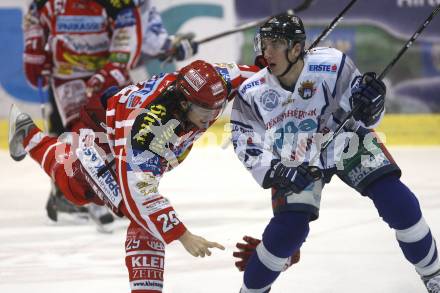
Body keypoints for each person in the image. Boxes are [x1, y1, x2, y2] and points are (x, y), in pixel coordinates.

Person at [230, 13, 440, 293]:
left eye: (275, 44)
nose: (267, 52)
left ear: (295, 48)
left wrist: (372, 103)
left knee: (400, 204)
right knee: (287, 233)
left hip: (346, 139)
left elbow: (369, 118)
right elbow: (244, 140)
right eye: (264, 44)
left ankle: (434, 276)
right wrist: (277, 170)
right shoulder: (252, 91)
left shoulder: (332, 64)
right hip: (296, 158)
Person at [9, 59, 257, 292]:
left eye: (218, 108)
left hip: (133, 127)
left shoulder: (215, 84)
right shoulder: (147, 131)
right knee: (84, 191)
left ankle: (37, 139)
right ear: (183, 103)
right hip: (103, 135)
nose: (211, 118)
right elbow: (138, 194)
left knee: (131, 208)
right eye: (205, 111)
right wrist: (183, 235)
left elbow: (260, 75)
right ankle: (31, 137)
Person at [22, 0, 198, 223]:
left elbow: (129, 48)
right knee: (79, 136)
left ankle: (122, 190)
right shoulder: (43, 4)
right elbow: (33, 50)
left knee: (126, 131)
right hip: (68, 78)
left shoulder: (121, 3)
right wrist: (34, 52)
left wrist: (168, 46)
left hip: (107, 74)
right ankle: (70, 192)